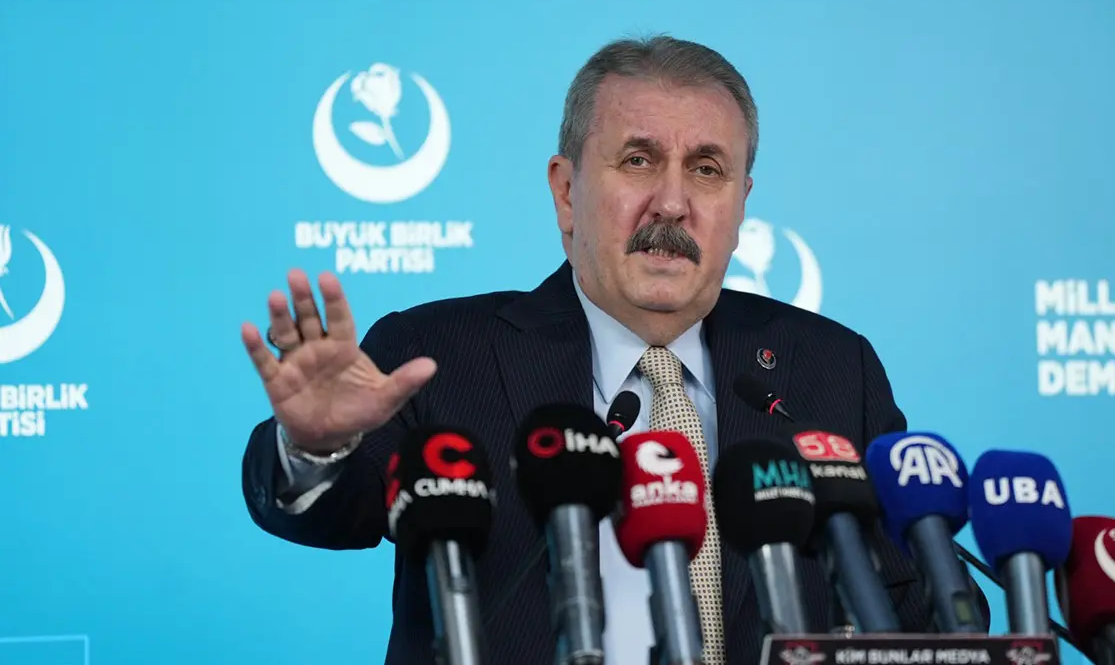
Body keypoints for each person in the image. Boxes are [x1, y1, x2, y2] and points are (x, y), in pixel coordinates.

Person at [240, 35, 988, 665]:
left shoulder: (830, 370)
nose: (673, 202)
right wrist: (317, 448)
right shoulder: (438, 354)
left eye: (707, 169)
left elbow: (924, 615)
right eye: (637, 160)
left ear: (740, 204)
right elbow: (332, 515)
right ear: (566, 192)